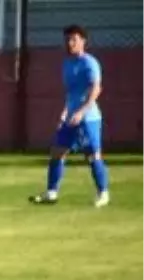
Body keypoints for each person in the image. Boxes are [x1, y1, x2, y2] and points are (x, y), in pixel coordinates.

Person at [30, 25, 110, 207]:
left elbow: (96, 89)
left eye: (74, 39)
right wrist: (65, 112)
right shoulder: (66, 63)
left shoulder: (90, 63)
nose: (70, 43)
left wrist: (82, 112)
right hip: (70, 118)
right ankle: (51, 193)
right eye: (67, 39)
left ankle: (103, 193)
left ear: (83, 41)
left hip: (89, 118)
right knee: (57, 152)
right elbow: (71, 93)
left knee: (93, 155)